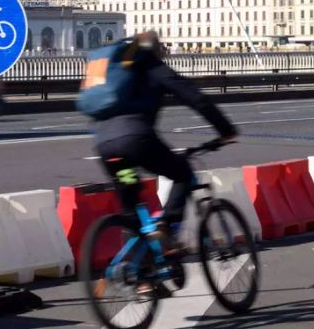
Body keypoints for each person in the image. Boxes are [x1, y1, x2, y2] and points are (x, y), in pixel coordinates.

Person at [92, 31, 237, 250]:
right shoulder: (152, 67)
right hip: (136, 140)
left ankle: (141, 277)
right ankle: (166, 226)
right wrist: (225, 129)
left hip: (105, 146)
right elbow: (194, 97)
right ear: (155, 51)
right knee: (182, 174)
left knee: (131, 208)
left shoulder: (115, 74)